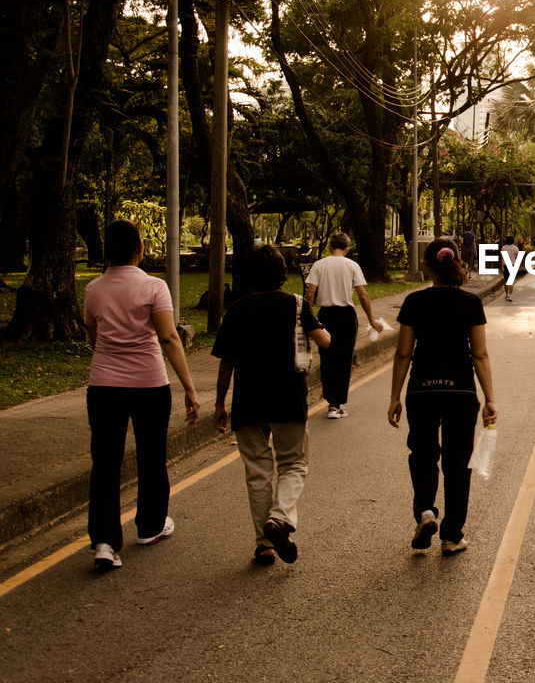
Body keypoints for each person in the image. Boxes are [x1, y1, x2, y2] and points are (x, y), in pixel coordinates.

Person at [83, 219, 200, 571]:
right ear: (140, 248)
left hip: (103, 385)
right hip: (149, 384)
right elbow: (168, 338)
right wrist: (190, 388)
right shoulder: (155, 287)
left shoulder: (93, 289)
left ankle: (104, 541)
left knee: (105, 461)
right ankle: (150, 526)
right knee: (152, 455)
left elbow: (92, 334)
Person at [212, 245, 331, 566]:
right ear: (283, 274)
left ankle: (264, 544)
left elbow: (226, 363)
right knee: (293, 464)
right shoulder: (296, 304)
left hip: (248, 400)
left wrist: (220, 404)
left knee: (257, 472)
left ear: (249, 276)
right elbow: (324, 341)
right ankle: (279, 517)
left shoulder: (236, 310)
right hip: (288, 397)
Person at [388, 239, 497, 556]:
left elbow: (403, 352)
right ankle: (451, 535)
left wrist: (395, 395)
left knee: (422, 454)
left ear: (426, 265)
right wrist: (490, 398)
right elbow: (479, 354)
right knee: (457, 463)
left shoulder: (413, 302)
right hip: (461, 391)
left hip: (422, 390)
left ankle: (425, 511)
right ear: (458, 263)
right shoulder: (471, 302)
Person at [305, 233, 381, 419]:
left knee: (327, 358)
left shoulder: (319, 265)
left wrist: (310, 321)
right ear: (347, 248)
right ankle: (336, 404)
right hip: (346, 316)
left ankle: (330, 401)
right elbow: (363, 295)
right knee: (344, 359)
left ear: (330, 247)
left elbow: (309, 294)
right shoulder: (352, 265)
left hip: (325, 315)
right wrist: (371, 320)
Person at [500, 235, 519, 301]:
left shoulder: (503, 247)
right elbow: (517, 256)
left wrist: (502, 266)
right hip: (512, 265)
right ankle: (510, 296)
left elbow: (502, 257)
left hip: (505, 265)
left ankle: (506, 294)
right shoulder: (515, 248)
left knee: (505, 281)